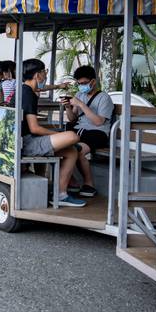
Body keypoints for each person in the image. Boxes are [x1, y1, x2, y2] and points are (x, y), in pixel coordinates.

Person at [20, 58, 84, 208]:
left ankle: (61, 194)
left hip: (25, 139)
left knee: (72, 151)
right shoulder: (28, 94)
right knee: (73, 137)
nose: (45, 75)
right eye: (44, 72)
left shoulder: (25, 89)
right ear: (37, 75)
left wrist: (58, 86)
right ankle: (60, 192)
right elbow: (34, 128)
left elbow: (40, 88)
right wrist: (56, 134)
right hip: (27, 142)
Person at [62, 64, 114, 198]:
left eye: (84, 83)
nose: (81, 86)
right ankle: (72, 182)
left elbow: (98, 122)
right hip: (80, 131)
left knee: (76, 150)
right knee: (61, 148)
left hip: (97, 133)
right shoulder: (80, 94)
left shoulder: (104, 98)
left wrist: (80, 104)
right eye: (79, 83)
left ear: (93, 81)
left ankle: (89, 184)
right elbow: (73, 119)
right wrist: (68, 107)